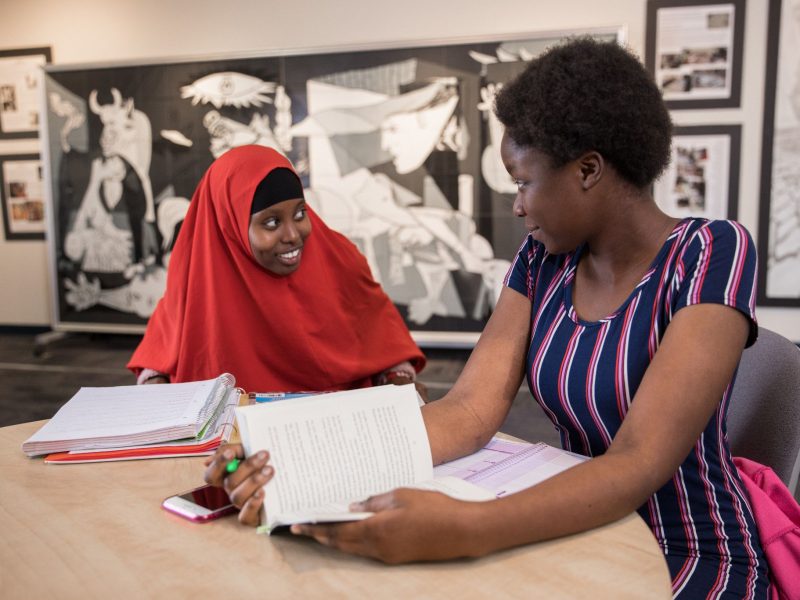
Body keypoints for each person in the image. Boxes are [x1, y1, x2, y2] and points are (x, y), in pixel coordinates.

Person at [203, 39, 769, 597]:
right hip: (577, 527)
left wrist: (466, 527)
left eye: (524, 182)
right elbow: (469, 410)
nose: (517, 204)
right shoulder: (543, 260)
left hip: (687, 547)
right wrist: (293, 456)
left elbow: (638, 460)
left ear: (588, 170)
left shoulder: (709, 252)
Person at [128, 145, 425, 393]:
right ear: (230, 225)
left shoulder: (339, 258)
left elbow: (386, 343)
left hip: (338, 429)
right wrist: (156, 394)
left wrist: (400, 382)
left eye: (299, 214)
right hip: (232, 442)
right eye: (271, 222)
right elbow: (157, 360)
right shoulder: (197, 277)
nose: (293, 235)